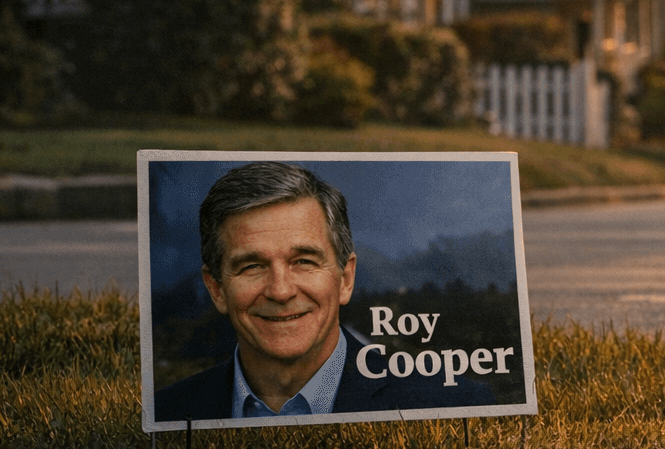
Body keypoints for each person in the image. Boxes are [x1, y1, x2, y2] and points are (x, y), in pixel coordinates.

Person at [154, 161, 490, 422]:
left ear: (345, 279)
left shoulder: (455, 404)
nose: (281, 291)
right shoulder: (169, 413)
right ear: (217, 289)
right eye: (252, 266)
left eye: (303, 261)